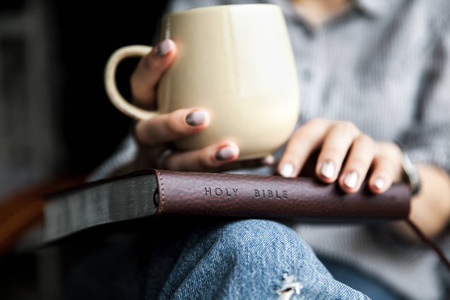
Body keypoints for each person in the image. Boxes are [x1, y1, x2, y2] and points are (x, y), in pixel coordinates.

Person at [74, 0, 450, 299]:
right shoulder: (204, 5)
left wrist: (394, 175)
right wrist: (152, 165)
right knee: (248, 246)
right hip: (190, 253)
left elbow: (440, 202)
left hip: (371, 273)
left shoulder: (431, 13)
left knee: (253, 248)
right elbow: (99, 213)